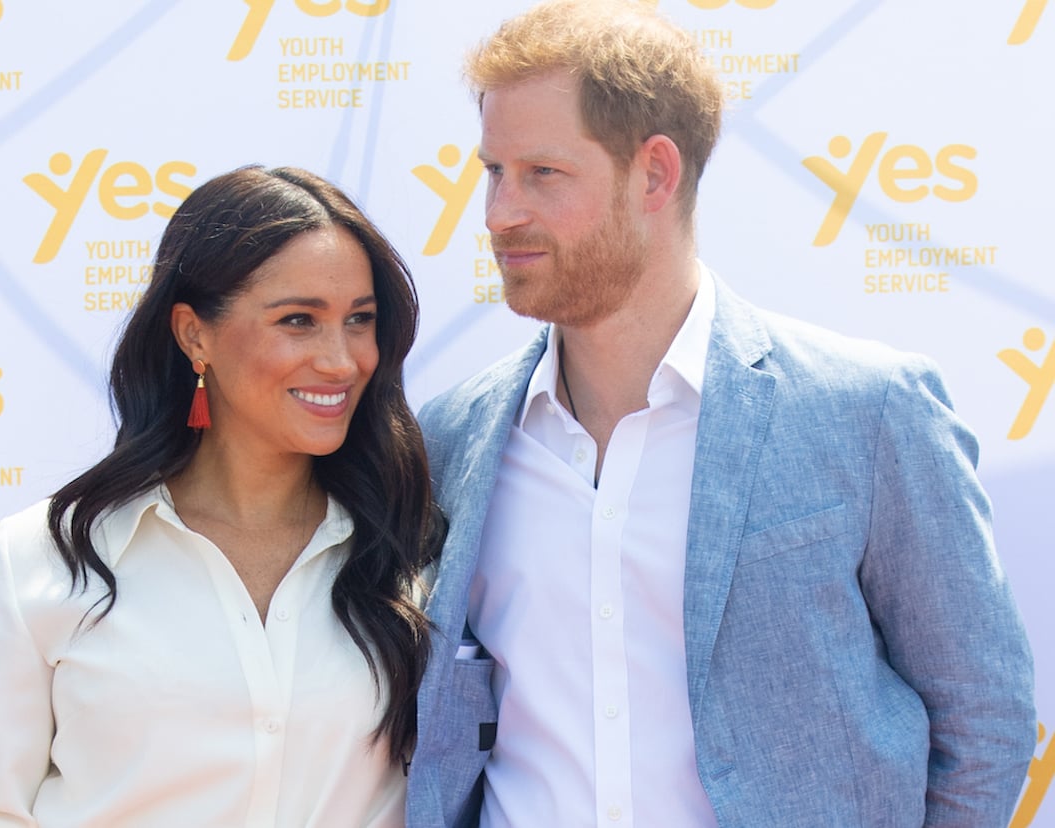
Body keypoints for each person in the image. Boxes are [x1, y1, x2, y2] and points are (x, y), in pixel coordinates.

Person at [405, 2, 1036, 826]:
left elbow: (984, 717)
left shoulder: (866, 413)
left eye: (542, 175)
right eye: (493, 171)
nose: (497, 213)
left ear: (655, 174)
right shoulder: (453, 437)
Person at [0, 164, 444, 827]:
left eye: (360, 320)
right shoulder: (48, 555)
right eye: (298, 320)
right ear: (193, 335)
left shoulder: (410, 549)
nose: (342, 360)